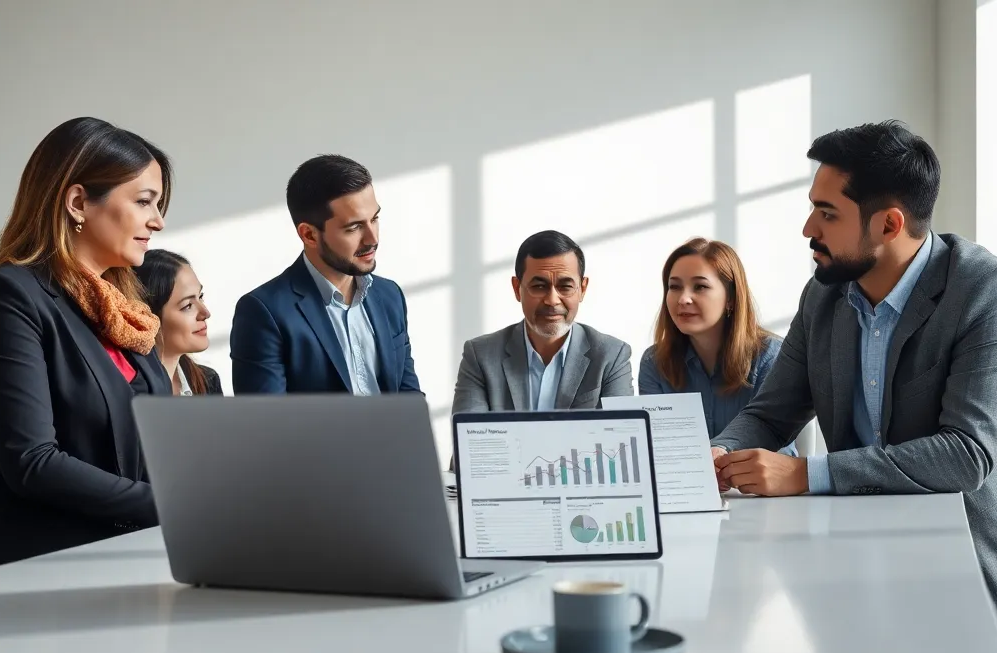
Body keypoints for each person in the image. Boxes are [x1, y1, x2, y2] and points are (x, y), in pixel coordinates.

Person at [709, 119, 997, 653]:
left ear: (890, 222)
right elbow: (769, 413)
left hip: (979, 582)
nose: (809, 227)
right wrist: (720, 451)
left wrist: (806, 475)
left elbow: (966, 454)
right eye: (813, 207)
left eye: (828, 213)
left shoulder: (990, 291)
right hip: (860, 572)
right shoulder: (824, 296)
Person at [0, 117, 173, 577]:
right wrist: (178, 505)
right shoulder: (7, 297)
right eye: (145, 201)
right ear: (78, 201)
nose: (158, 221)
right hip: (29, 564)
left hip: (121, 552)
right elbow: (32, 462)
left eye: (159, 204)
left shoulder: (126, 314)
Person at [230, 154, 421, 395]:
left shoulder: (390, 295)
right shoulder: (264, 312)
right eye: (354, 227)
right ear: (309, 235)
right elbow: (266, 424)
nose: (373, 238)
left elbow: (409, 398)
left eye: (374, 219)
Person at [638, 237, 796, 455]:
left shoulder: (771, 356)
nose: (683, 298)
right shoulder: (654, 362)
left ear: (730, 298)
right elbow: (657, 451)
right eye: (674, 287)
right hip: (687, 486)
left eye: (700, 286)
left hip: (755, 488)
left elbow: (778, 453)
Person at [451, 230, 632, 413]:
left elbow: (619, 435)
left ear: (582, 289)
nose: (552, 300)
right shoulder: (481, 356)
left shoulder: (611, 356)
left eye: (565, 287)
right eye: (539, 286)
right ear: (517, 288)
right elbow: (470, 437)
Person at [136, 249, 223, 395]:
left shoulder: (208, 382)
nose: (205, 313)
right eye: (187, 305)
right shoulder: (129, 392)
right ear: (148, 316)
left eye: (200, 296)